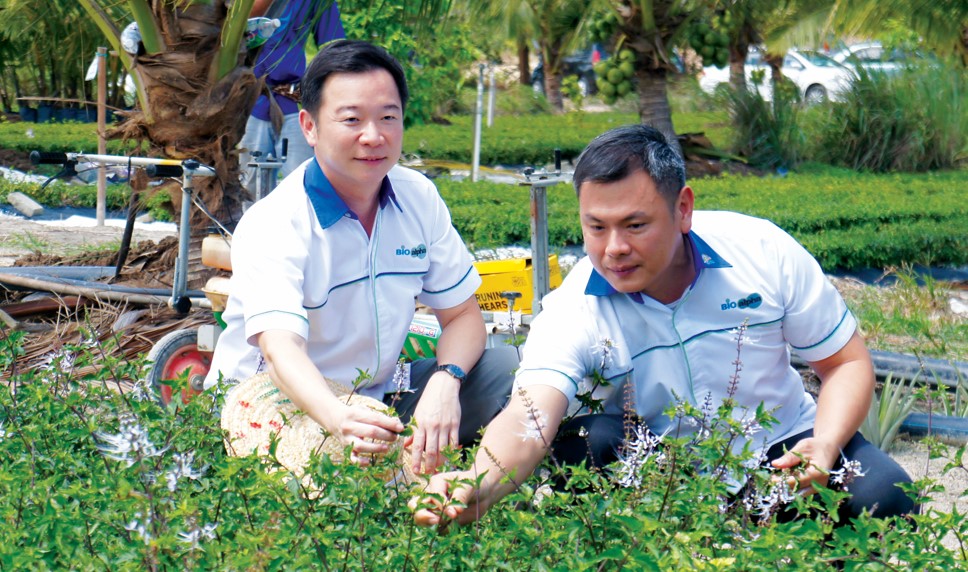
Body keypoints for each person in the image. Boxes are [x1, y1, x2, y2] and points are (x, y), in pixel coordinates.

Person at [411, 124, 915, 525]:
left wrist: (824, 447)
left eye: (635, 225)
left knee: (885, 493)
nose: (614, 249)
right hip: (659, 468)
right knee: (585, 442)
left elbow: (845, 362)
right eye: (596, 227)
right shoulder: (575, 307)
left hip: (780, 451)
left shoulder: (762, 251)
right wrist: (476, 482)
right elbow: (530, 418)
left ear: (683, 209)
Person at [205, 39, 517, 475]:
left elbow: (464, 315)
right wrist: (337, 418)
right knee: (329, 485)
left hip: (381, 395)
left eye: (388, 117)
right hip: (278, 396)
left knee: (506, 366)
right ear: (310, 127)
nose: (373, 136)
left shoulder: (418, 197)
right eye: (351, 119)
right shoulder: (276, 221)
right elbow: (280, 351)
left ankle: (445, 460)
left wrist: (446, 381)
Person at [239, 0, 345, 192]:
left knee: (305, 183)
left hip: (293, 102)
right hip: (246, 104)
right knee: (249, 188)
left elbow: (334, 49)